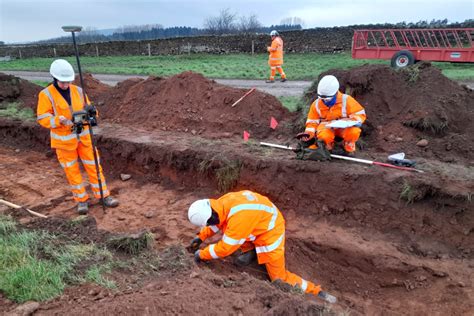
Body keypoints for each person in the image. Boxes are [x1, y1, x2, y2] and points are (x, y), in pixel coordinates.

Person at [188, 190, 337, 303]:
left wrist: (202, 254)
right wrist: (200, 237)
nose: (209, 226)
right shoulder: (220, 204)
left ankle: (316, 291)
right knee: (231, 230)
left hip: (270, 231)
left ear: (211, 215)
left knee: (278, 279)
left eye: (208, 223)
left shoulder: (239, 218)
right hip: (256, 222)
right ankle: (250, 250)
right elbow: (218, 222)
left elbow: (226, 248)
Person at [36, 59, 119, 214]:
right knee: (72, 171)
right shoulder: (46, 95)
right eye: (62, 82)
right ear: (54, 79)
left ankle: (103, 195)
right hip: (64, 142)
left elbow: (91, 112)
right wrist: (56, 120)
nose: (66, 85)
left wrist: (91, 111)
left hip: (84, 138)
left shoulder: (78, 91)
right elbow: (42, 117)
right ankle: (81, 200)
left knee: (94, 167)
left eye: (68, 82)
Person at [300, 75, 366, 155]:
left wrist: (352, 121)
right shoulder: (316, 104)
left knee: (354, 132)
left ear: (335, 93)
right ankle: (328, 148)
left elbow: (359, 114)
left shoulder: (346, 100)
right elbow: (312, 123)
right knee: (324, 136)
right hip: (326, 127)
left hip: (344, 127)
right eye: (322, 99)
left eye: (327, 99)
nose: (325, 101)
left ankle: (348, 148)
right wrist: (308, 135)